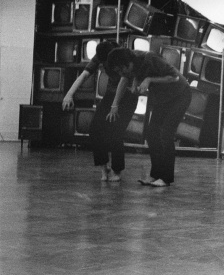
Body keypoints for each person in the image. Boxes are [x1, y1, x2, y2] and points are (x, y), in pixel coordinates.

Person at [107, 47, 192, 187]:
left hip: (180, 94)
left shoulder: (150, 59)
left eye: (121, 70)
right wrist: (135, 85)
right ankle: (156, 175)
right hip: (162, 98)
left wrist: (149, 79)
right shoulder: (131, 63)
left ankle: (166, 178)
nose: (122, 74)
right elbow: (132, 76)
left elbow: (174, 77)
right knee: (151, 134)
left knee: (166, 133)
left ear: (128, 64)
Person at [62, 40, 138, 182]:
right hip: (110, 95)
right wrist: (69, 94)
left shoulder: (124, 56)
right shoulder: (101, 55)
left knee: (116, 131)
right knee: (95, 129)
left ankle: (117, 170)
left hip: (127, 96)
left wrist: (115, 106)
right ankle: (104, 167)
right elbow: (84, 75)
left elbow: (124, 80)